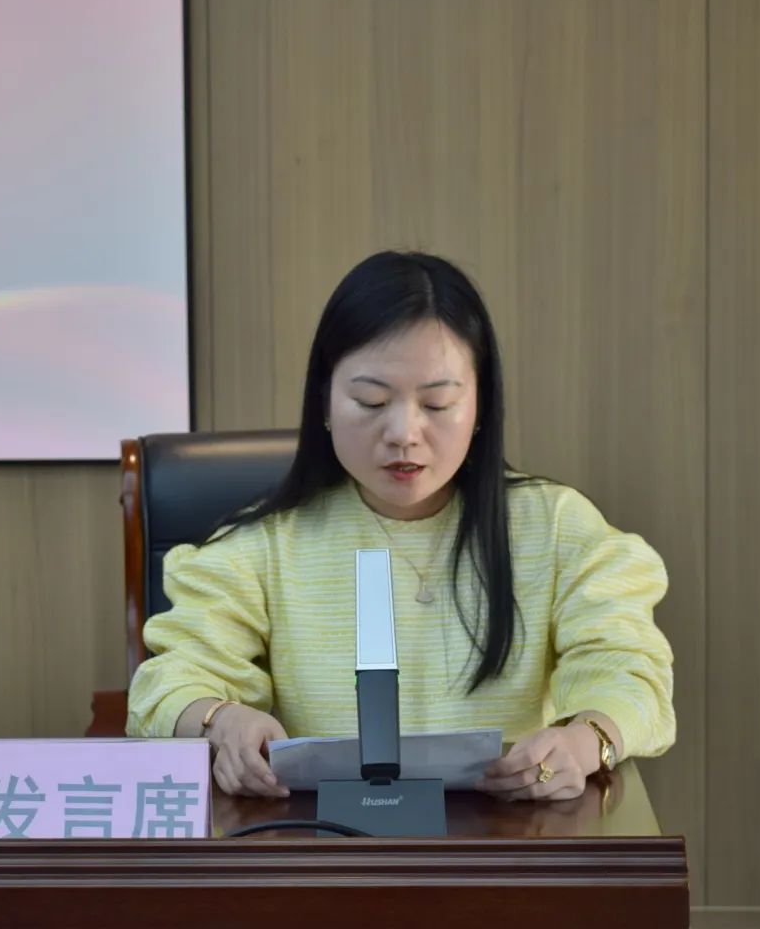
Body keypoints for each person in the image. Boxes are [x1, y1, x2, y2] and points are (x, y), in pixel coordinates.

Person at [127, 251, 675, 802]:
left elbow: (629, 672)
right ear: (325, 402)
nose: (404, 433)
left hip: (510, 828)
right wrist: (219, 720)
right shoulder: (264, 545)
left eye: (437, 404)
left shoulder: (555, 528)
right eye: (371, 401)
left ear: (480, 407)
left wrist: (586, 739)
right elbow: (166, 686)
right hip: (324, 835)